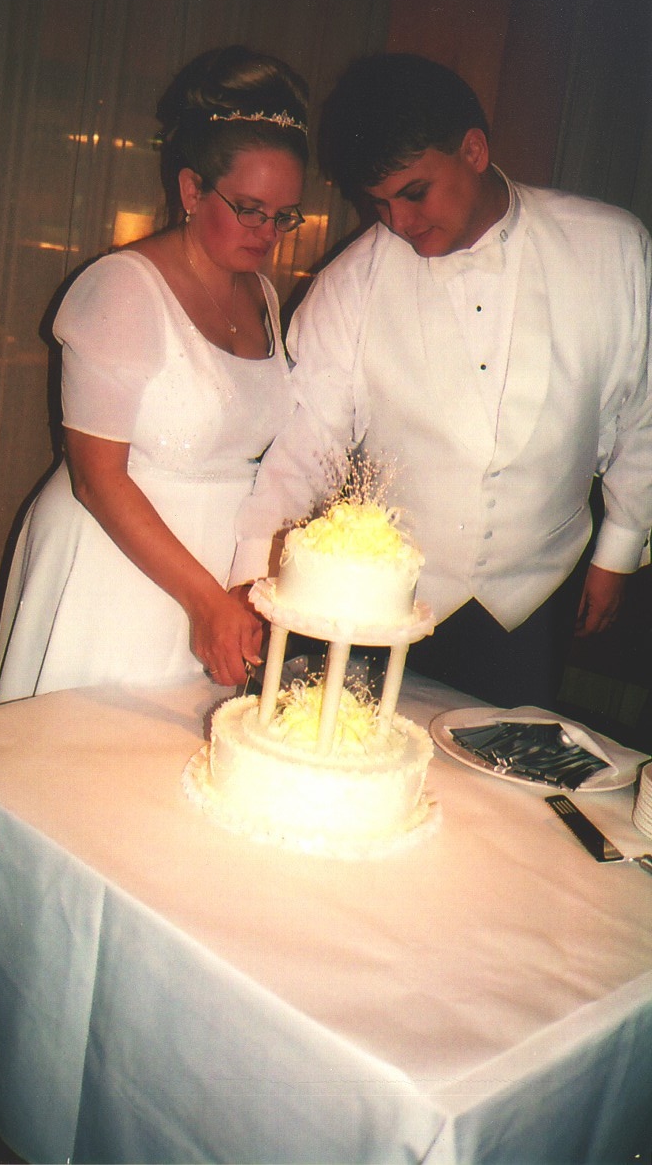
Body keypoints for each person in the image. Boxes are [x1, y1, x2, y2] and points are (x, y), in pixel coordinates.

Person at [230, 53, 652, 709]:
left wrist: (619, 549)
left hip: (539, 596)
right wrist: (254, 580)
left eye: (414, 192)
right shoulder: (352, 283)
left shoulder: (615, 247)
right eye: (380, 202)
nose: (398, 222)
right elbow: (306, 443)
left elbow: (641, 410)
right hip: (387, 600)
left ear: (474, 151)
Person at [0, 45, 309, 702]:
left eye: (283, 216)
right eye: (249, 208)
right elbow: (96, 479)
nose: (267, 232)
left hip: (219, 579)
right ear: (192, 189)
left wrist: (244, 588)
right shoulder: (120, 288)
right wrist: (203, 602)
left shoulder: (266, 298)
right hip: (116, 565)